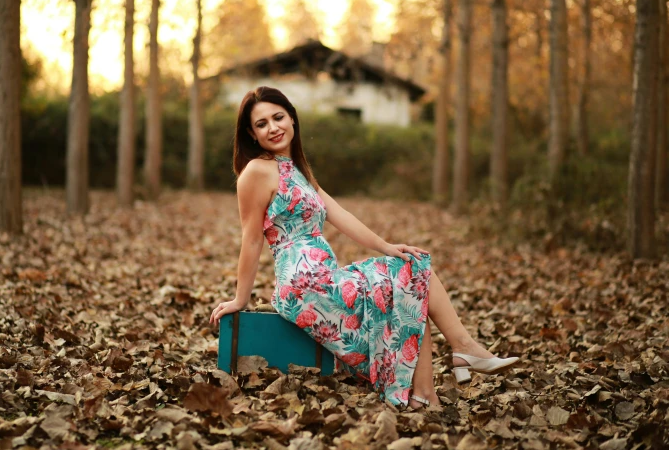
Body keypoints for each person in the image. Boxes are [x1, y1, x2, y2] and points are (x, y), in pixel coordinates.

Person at [209, 86, 519, 408]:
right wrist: (240, 299)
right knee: (408, 277)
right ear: (251, 133)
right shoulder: (256, 172)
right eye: (262, 124)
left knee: (410, 274)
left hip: (324, 275)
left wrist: (386, 246)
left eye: (278, 117)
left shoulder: (297, 171)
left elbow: (340, 215)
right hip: (305, 287)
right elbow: (252, 238)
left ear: (292, 119)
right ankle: (462, 349)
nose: (273, 128)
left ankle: (427, 392)